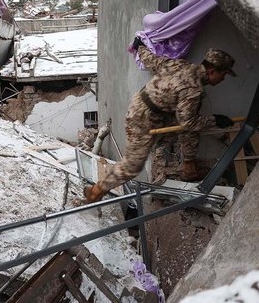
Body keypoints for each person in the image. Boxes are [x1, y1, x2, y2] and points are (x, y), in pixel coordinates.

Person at [84, 39, 236, 203]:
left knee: (191, 127)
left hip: (146, 107)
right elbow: (188, 122)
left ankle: (189, 168)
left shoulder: (181, 65)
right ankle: (96, 191)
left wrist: (140, 47)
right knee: (133, 165)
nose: (223, 79)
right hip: (143, 119)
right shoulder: (193, 90)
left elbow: (152, 60)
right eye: (224, 75)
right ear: (212, 71)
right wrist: (215, 120)